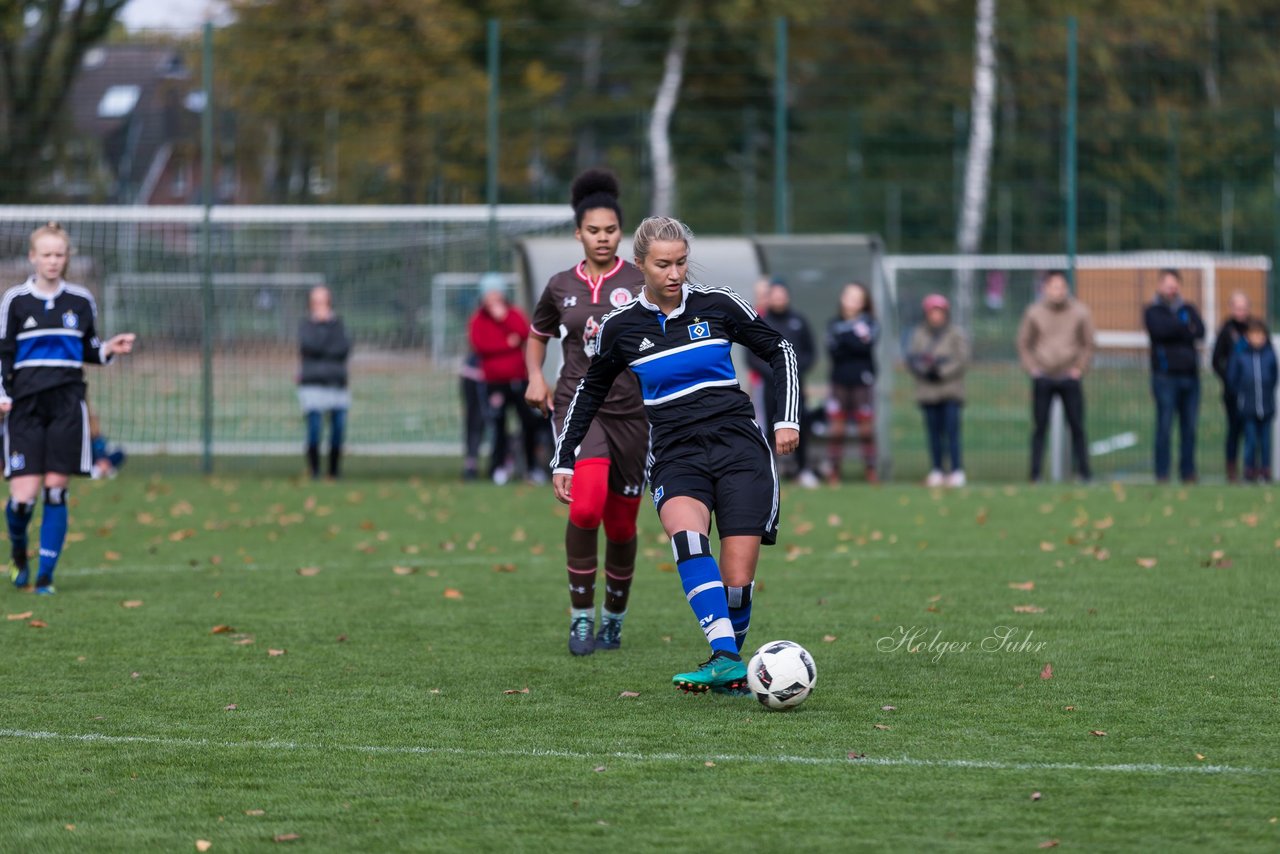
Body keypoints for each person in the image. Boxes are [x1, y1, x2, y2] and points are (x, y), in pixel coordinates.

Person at [552, 215, 799, 695]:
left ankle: (729, 667)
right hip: (674, 451)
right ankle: (727, 658)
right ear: (640, 264)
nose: (675, 273)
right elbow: (588, 392)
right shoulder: (621, 328)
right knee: (687, 539)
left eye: (682, 262)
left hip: (739, 447)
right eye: (663, 264)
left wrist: (786, 416)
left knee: (738, 579)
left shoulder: (720, 305)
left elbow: (780, 348)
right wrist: (565, 458)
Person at [525, 168, 647, 655]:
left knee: (621, 526)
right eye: (593, 231)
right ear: (578, 233)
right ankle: (581, 619)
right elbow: (537, 335)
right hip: (580, 408)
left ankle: (613, 618)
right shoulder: (560, 286)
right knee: (587, 506)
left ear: (622, 232)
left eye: (611, 230)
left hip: (634, 415)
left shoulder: (641, 281)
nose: (603, 238)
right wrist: (535, 376)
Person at [1, 222, 136, 594]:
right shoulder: (15, 300)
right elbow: (3, 355)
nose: (53, 260)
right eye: (46, 254)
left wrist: (110, 348)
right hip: (24, 405)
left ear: (66, 258)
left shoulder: (80, 300)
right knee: (22, 498)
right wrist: (2, 394)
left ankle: (45, 576)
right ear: (33, 257)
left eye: (59, 254)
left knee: (56, 490)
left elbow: (89, 349)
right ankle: (18, 554)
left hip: (67, 403)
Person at [1015, 270, 1095, 483]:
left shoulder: (1080, 312)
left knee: (1077, 425)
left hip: (1070, 377)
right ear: (1045, 288)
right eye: (1053, 286)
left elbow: (1089, 343)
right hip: (1044, 377)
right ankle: (1035, 474)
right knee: (1040, 427)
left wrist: (1080, 368)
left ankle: (1084, 473)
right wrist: (1032, 368)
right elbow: (1023, 343)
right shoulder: (1034, 312)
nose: (1058, 291)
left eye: (1061, 286)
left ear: (1066, 288)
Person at [468, 273, 542, 484]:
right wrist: (508, 344)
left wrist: (504, 320)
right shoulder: (478, 320)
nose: (492, 298)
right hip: (494, 383)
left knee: (529, 423)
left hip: (519, 380)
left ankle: (532, 468)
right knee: (498, 426)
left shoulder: (513, 314)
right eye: (488, 293)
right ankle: (498, 467)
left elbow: (523, 333)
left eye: (496, 293)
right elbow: (481, 346)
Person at [748, 277, 818, 487]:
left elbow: (810, 352)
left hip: (795, 387)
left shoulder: (799, 321)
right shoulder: (760, 322)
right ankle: (771, 469)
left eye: (782, 294)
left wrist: (793, 372)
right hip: (769, 387)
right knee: (767, 426)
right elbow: (751, 357)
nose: (778, 298)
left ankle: (802, 469)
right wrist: (774, 373)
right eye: (774, 294)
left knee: (801, 424)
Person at [1143, 268, 1205, 483]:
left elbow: (1200, 331)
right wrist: (1183, 327)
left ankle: (1188, 472)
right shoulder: (1152, 310)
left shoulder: (1188, 308)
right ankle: (1162, 473)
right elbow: (1160, 331)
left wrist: (1178, 329)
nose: (1172, 288)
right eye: (1167, 284)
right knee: (1164, 427)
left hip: (1190, 377)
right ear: (1160, 285)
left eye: (1174, 284)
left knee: (1189, 428)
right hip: (1165, 377)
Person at [906, 294, 969, 487]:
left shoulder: (955, 333)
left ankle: (956, 470)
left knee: (952, 432)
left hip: (950, 391)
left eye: (939, 311)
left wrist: (941, 371)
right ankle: (937, 469)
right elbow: (912, 357)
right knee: (933, 433)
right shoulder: (918, 334)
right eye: (932, 311)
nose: (936, 315)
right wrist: (925, 370)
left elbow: (962, 359)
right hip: (928, 392)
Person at [825, 282, 879, 484]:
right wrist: (852, 341)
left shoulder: (870, 323)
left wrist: (847, 341)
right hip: (839, 382)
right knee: (837, 430)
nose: (852, 301)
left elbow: (864, 346)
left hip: (862, 382)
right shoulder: (833, 324)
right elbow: (833, 350)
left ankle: (871, 470)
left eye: (858, 298)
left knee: (866, 429)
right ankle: (833, 470)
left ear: (864, 303)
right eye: (849, 295)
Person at [297, 285, 351, 480]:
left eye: (323, 301)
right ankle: (314, 470)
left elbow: (343, 348)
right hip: (313, 383)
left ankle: (334, 471)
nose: (320, 306)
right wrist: (326, 342)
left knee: (338, 428)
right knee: (314, 428)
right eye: (316, 302)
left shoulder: (338, 324)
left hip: (337, 383)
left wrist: (325, 336)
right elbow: (309, 345)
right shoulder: (306, 326)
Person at [1226, 318, 1276, 483]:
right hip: (1247, 407)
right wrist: (1241, 394)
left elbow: (1274, 376)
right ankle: (1249, 470)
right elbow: (1232, 379)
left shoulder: (1269, 355)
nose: (1257, 339)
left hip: (1266, 407)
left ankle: (1265, 470)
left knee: (1265, 442)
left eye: (1260, 335)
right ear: (1248, 337)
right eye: (1254, 335)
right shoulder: (1241, 355)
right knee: (1251, 440)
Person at [1211, 292, 1252, 482]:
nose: (1240, 312)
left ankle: (1253, 468)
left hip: (1253, 392)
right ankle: (1232, 469)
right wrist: (1229, 378)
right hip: (1233, 392)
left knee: (1253, 430)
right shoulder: (1226, 330)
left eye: (1243, 308)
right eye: (1237, 308)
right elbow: (1215, 360)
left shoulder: (1255, 328)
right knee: (1234, 430)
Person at [459, 351, 488, 481]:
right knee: (474, 421)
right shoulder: (473, 358)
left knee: (498, 423)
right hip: (474, 378)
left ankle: (501, 464)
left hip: (499, 377)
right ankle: (471, 463)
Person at [88, 406, 126, 479]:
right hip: (94, 460)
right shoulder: (87, 440)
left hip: (105, 459)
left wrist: (106, 461)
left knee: (120, 453)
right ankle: (99, 468)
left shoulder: (100, 437)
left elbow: (105, 450)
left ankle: (104, 468)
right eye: (93, 422)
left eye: (96, 421)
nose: (95, 424)